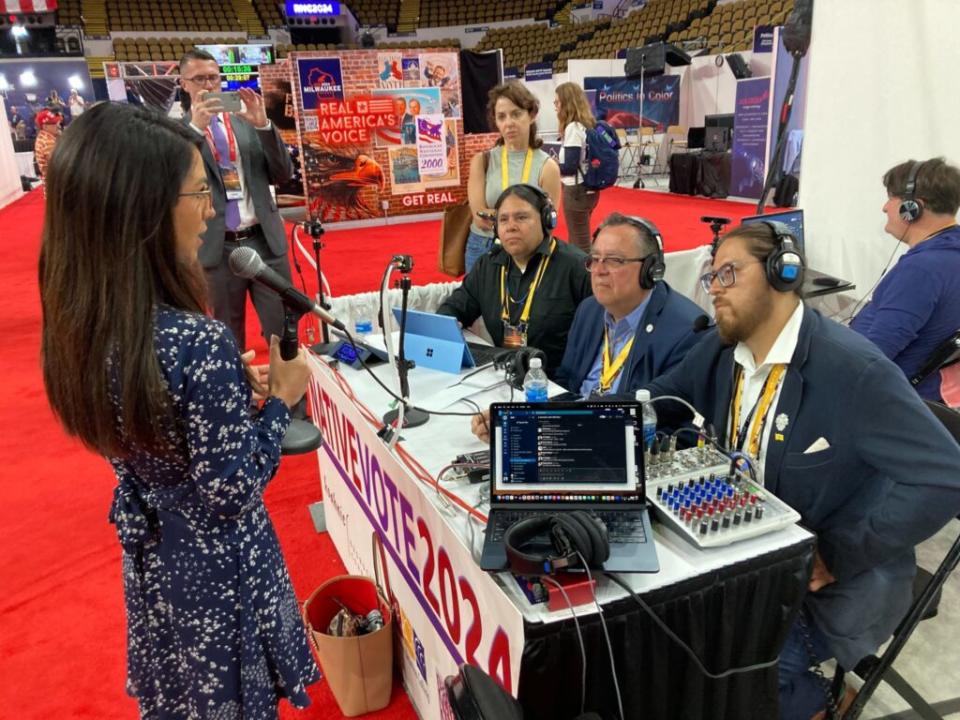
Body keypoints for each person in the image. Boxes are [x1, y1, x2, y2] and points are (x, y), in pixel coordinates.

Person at [38, 102, 320, 718]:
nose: (213, 210)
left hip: (155, 560)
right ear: (145, 209)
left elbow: (150, 423)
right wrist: (281, 402)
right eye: (199, 191)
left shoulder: (81, 326)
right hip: (220, 572)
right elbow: (232, 488)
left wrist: (224, 397)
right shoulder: (195, 341)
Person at [640, 222, 960, 719]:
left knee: (730, 684)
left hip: (836, 579)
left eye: (730, 272)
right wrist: (558, 426)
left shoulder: (853, 370)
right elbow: (653, 401)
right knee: (660, 641)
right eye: (711, 277)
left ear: (782, 274)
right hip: (751, 559)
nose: (716, 288)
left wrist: (838, 553)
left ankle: (819, 701)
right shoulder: (727, 349)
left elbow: (947, 476)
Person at [178, 49, 296, 365]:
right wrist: (193, 131)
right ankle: (238, 410)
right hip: (216, 248)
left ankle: (291, 407)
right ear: (184, 84)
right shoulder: (175, 133)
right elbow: (170, 183)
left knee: (283, 330)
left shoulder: (245, 122)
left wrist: (263, 127)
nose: (207, 85)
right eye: (198, 78)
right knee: (227, 338)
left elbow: (284, 174)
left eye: (213, 77)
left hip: (265, 241)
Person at [437, 183, 591, 375]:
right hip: (503, 376)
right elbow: (455, 307)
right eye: (503, 219)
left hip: (557, 383)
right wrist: (446, 326)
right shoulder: (488, 265)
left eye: (521, 217)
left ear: (546, 220)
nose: (511, 227)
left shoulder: (576, 268)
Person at [554, 213, 704, 396]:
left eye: (614, 260)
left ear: (651, 270)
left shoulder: (686, 331)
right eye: (594, 259)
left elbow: (669, 412)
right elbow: (567, 379)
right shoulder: (589, 309)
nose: (599, 270)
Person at [850, 157, 960, 402]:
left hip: (889, 400)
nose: (885, 207)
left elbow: (872, 355)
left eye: (891, 198)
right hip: (930, 394)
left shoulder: (922, 270)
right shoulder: (949, 253)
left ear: (912, 208)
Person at [465, 81, 561, 273]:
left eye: (516, 114)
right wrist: (523, 218)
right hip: (483, 246)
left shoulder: (547, 167)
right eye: (501, 116)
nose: (509, 123)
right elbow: (479, 217)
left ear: (531, 115)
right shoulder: (482, 161)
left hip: (527, 250)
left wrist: (499, 216)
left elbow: (548, 221)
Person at [554, 82, 601, 252]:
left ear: (567, 103)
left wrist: (551, 166)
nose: (555, 107)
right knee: (577, 239)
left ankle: (587, 277)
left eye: (557, 102)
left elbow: (570, 167)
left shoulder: (573, 128)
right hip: (588, 189)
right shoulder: (587, 124)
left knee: (580, 244)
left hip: (576, 191)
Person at [33, 108, 63, 188]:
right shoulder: (47, 142)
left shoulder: (44, 137)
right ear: (45, 126)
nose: (58, 125)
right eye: (54, 123)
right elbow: (60, 164)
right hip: (57, 185)